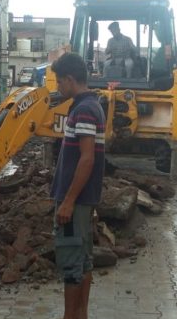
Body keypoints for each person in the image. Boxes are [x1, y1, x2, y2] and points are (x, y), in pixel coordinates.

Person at [50, 52, 106, 319]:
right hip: (86, 200)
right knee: (83, 263)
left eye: (59, 82)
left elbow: (87, 159)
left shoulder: (83, 110)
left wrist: (69, 200)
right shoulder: (93, 105)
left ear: (70, 79)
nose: (58, 87)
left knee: (72, 266)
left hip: (76, 201)